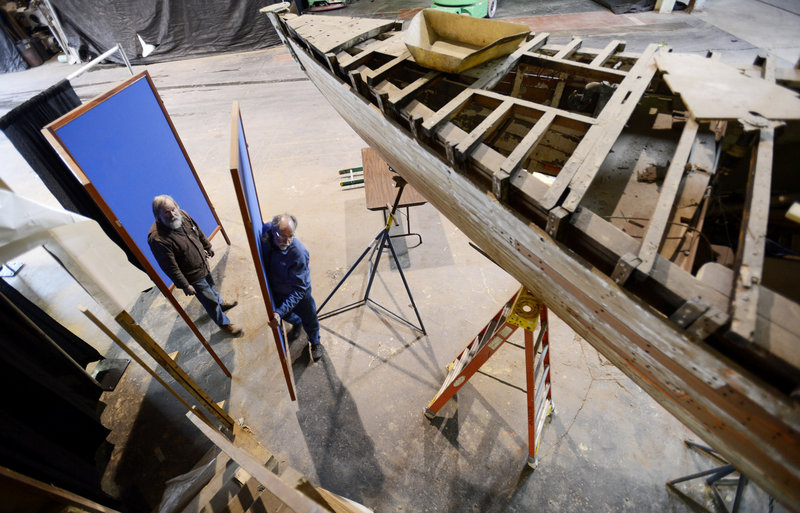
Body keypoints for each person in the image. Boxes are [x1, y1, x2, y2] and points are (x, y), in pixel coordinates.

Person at [148, 195, 243, 336]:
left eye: (173, 209)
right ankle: (224, 324)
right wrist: (185, 285)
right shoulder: (157, 239)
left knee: (211, 286)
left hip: (202, 263)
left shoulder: (183, 214)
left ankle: (220, 303)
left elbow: (197, 230)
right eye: (166, 212)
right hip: (192, 277)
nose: (173, 214)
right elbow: (170, 267)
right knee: (209, 301)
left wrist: (207, 245)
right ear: (157, 216)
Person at [261, 213, 323, 361]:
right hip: (278, 289)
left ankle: (315, 342)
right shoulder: (268, 230)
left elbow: (299, 290)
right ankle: (297, 322)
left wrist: (279, 312)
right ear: (273, 230)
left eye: (291, 236)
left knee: (310, 319)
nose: (287, 241)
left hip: (299, 294)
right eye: (282, 235)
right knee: (288, 315)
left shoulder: (298, 253)